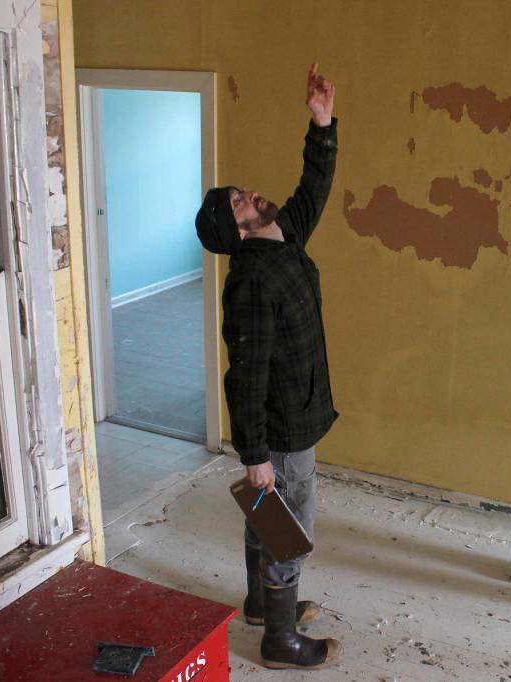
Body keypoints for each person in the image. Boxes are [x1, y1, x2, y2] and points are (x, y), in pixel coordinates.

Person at [194, 63, 341, 670]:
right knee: (288, 522)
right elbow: (244, 376)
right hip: (282, 429)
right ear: (237, 228)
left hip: (299, 412)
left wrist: (322, 124)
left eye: (242, 191)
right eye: (240, 201)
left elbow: (314, 187)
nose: (251, 193)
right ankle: (279, 639)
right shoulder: (249, 280)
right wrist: (254, 457)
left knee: (267, 514)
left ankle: (259, 604)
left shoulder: (281, 234)